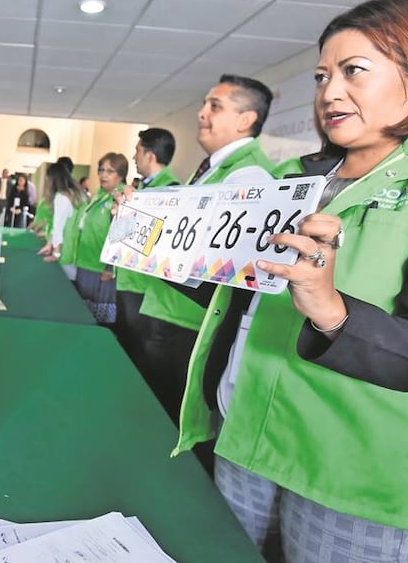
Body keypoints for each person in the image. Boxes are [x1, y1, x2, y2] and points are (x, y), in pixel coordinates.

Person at [175, 0, 408, 563]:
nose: (330, 92)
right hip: (243, 433)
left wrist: (330, 306)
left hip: (350, 472)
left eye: (354, 70)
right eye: (321, 75)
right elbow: (234, 298)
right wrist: (166, 249)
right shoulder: (291, 177)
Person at [138, 74, 276, 429]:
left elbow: (220, 271)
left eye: (215, 106)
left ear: (246, 120)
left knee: (164, 425)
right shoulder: (213, 173)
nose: (201, 113)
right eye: (204, 104)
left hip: (189, 328)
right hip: (171, 316)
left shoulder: (249, 178)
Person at [112, 128, 180, 383]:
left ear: (150, 156)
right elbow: (122, 237)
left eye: (138, 151)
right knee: (126, 349)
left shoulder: (171, 192)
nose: (133, 157)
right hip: (128, 281)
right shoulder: (139, 189)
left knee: (139, 358)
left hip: (144, 289)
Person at [60, 153, 127, 325]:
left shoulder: (120, 198)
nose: (103, 175)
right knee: (83, 315)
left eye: (110, 171)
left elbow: (121, 237)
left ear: (121, 175)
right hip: (86, 262)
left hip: (102, 270)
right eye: (101, 170)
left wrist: (110, 267)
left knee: (98, 320)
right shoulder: (99, 196)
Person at [37, 162, 86, 278]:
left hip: (66, 250)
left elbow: (58, 226)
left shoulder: (61, 197)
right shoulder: (78, 194)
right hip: (78, 249)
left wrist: (56, 254)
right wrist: (50, 244)